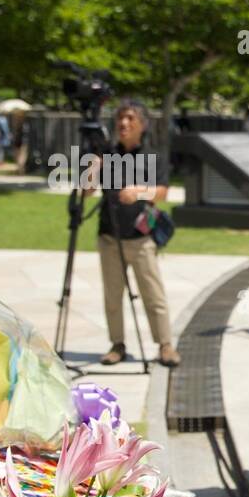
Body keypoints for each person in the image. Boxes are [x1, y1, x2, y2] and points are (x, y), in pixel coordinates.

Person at [82, 100, 180, 368]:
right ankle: (117, 345)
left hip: (141, 238)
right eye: (120, 119)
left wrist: (138, 191)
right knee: (112, 295)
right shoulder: (106, 154)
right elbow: (87, 192)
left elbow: (161, 192)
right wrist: (92, 166)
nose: (123, 124)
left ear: (142, 125)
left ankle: (165, 345)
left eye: (130, 119)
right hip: (109, 237)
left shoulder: (153, 156)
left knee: (153, 294)